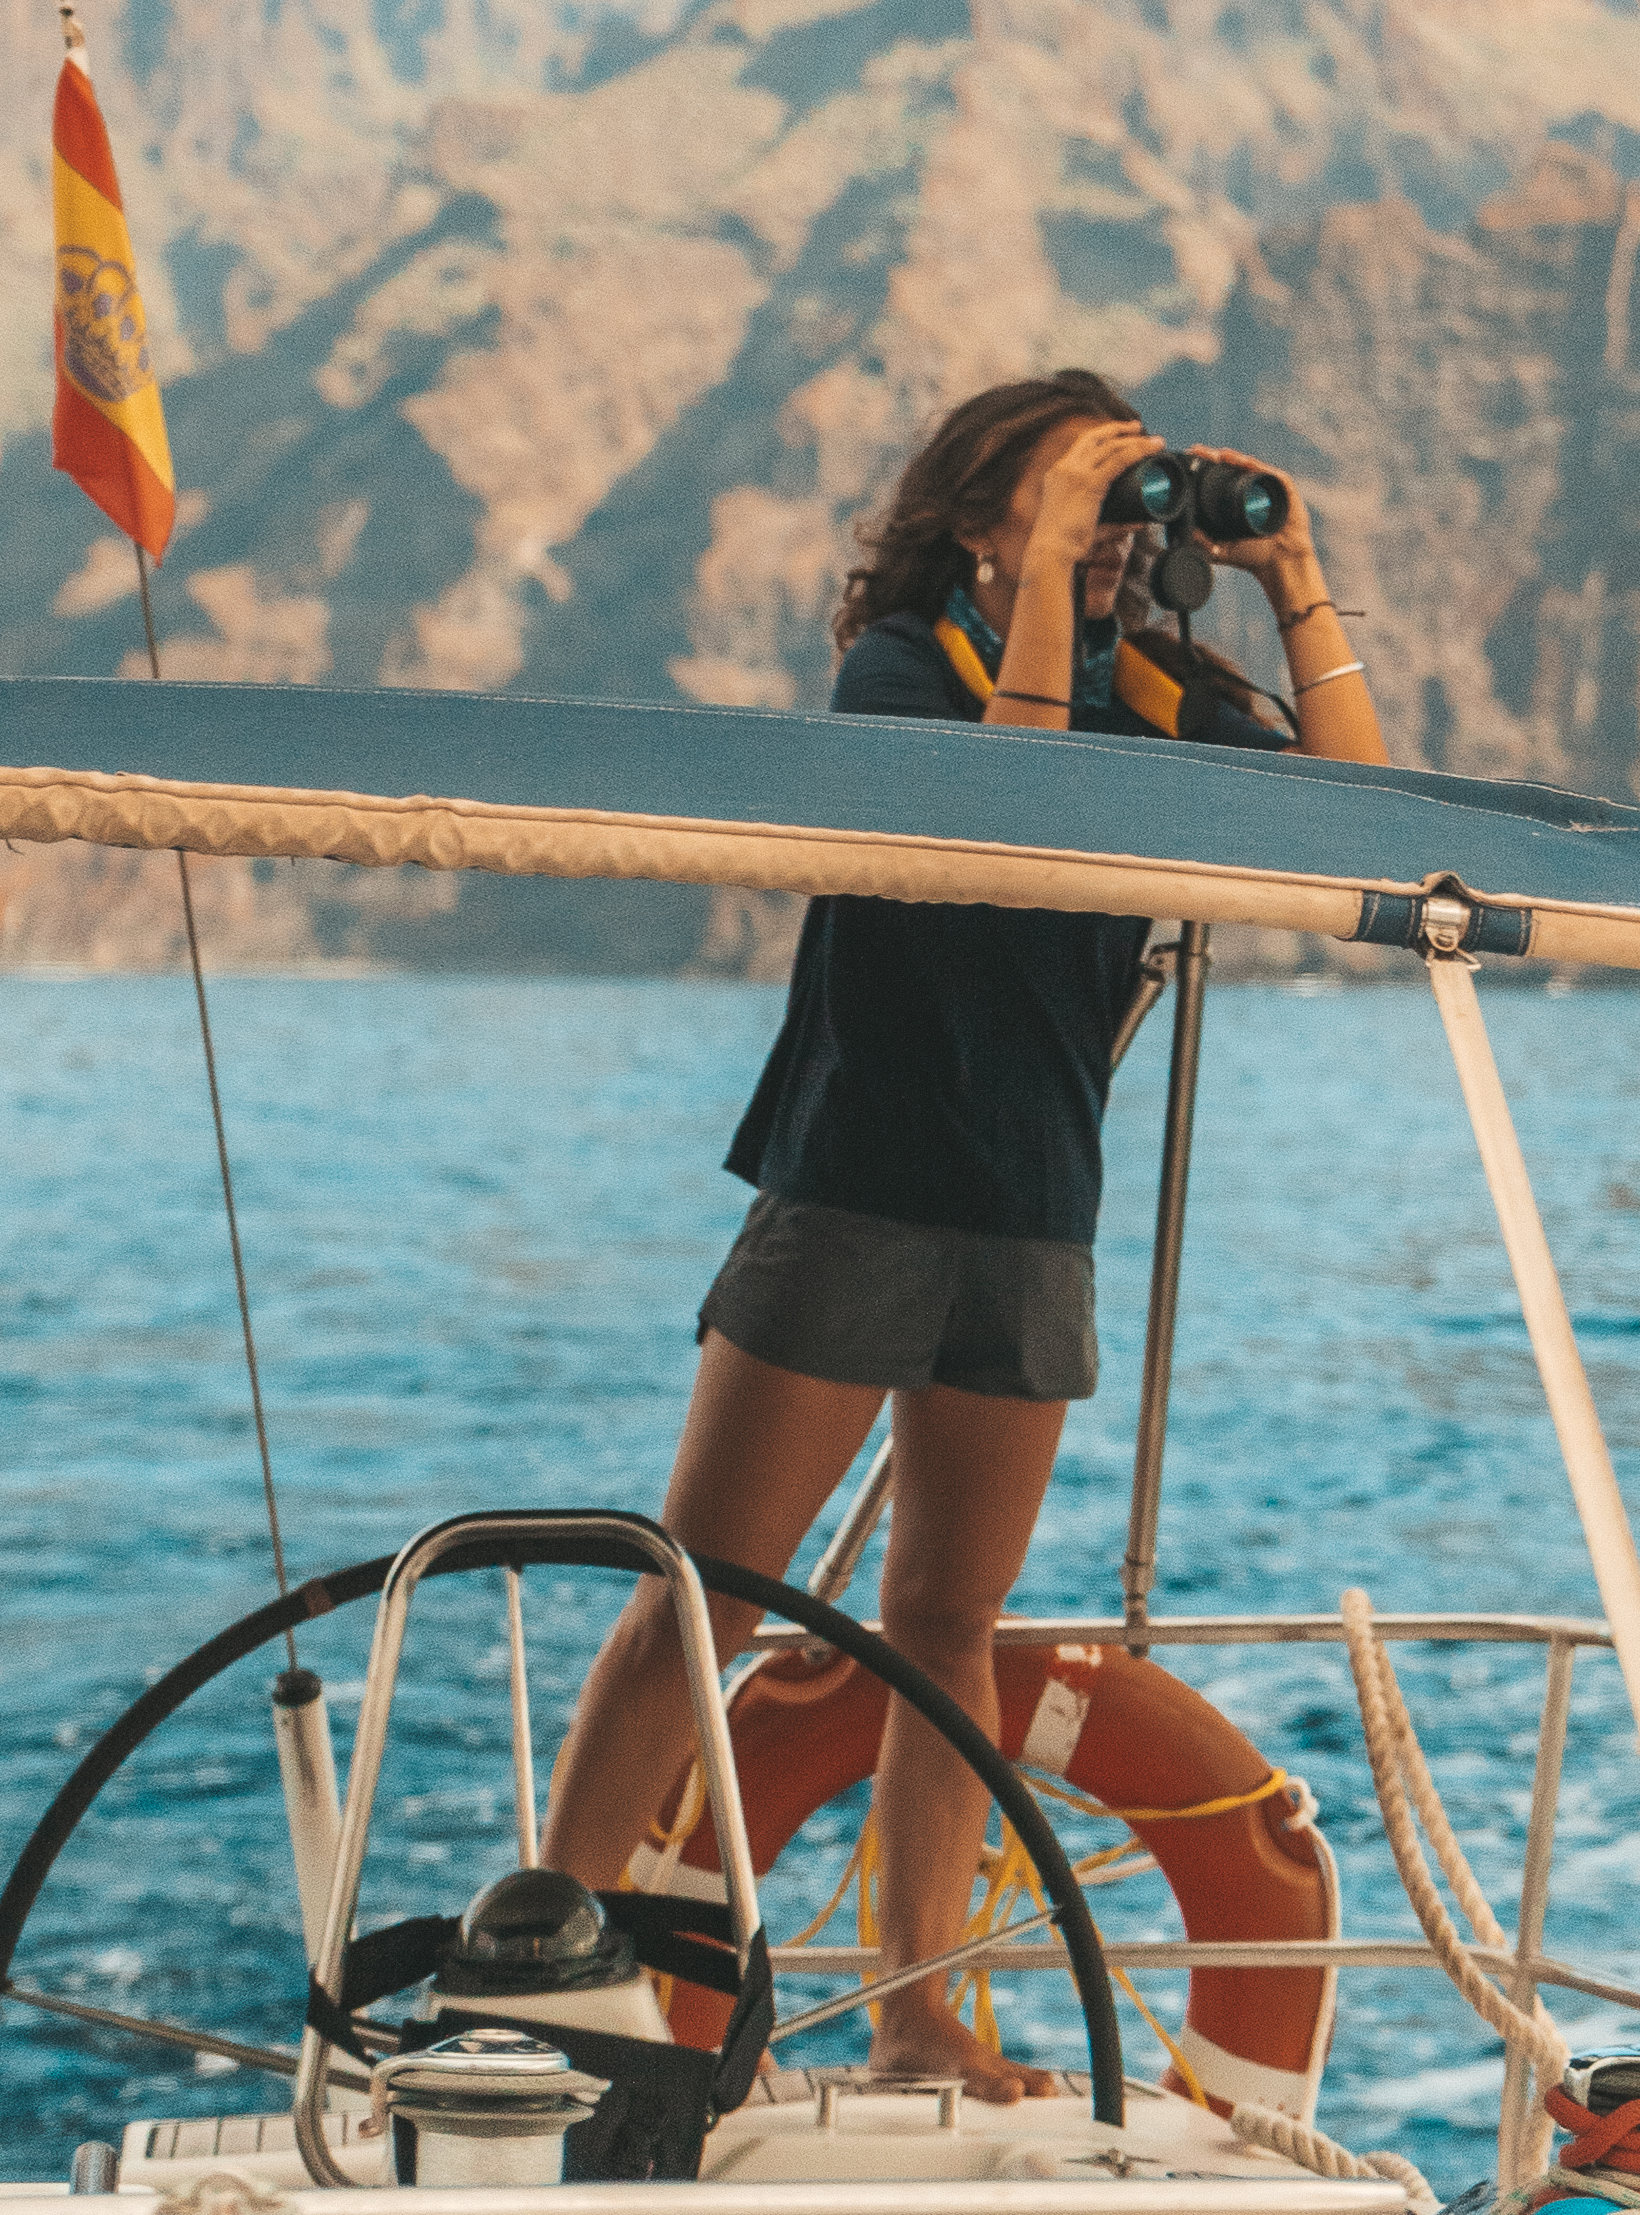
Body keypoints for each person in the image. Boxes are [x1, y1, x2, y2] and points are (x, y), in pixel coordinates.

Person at [542, 367, 1388, 2097]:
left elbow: (1359, 824)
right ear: (979, 516)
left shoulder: (1156, 694)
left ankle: (922, 2006)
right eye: (1063, 499)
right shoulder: (901, 670)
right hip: (857, 1183)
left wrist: (1297, 580)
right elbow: (1011, 820)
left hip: (1030, 1215)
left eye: (1116, 507)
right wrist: (1052, 568)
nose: (1097, 540)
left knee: (945, 1626)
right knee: (703, 1596)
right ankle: (542, 1952)